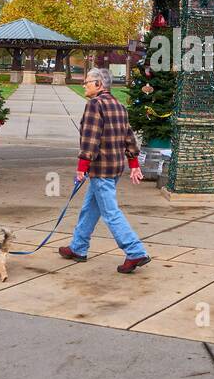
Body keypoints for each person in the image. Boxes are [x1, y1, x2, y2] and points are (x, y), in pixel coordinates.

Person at [59, 68, 150, 274]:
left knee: (110, 212)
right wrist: (133, 164)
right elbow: (129, 137)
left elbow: (90, 139)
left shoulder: (94, 105)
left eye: (88, 82)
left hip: (100, 169)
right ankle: (78, 248)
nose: (84, 85)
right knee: (90, 208)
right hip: (115, 167)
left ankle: (135, 251)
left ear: (99, 84)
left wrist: (81, 167)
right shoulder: (119, 106)